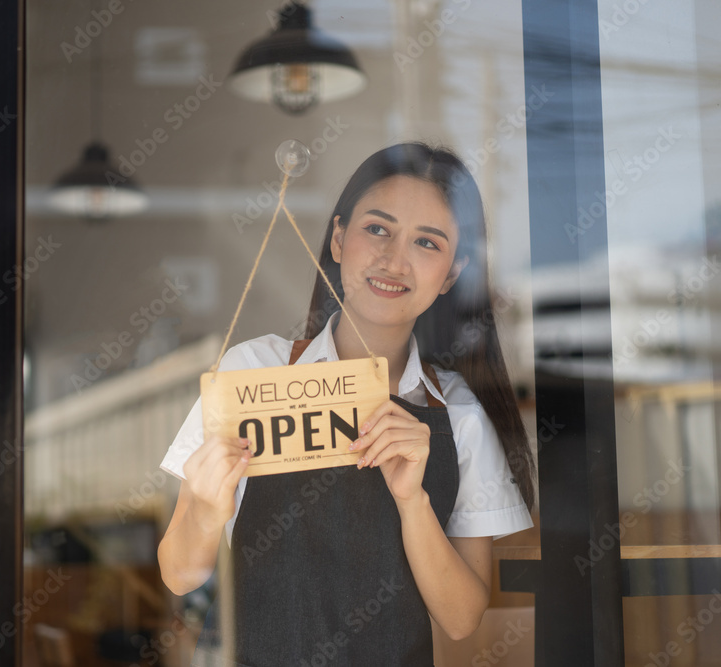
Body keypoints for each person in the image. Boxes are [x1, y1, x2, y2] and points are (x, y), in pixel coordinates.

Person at [157, 142, 536, 666]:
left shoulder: (461, 414)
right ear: (338, 239)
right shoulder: (252, 372)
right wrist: (205, 509)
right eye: (377, 229)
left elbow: (461, 616)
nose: (393, 259)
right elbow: (179, 575)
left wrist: (413, 502)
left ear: (452, 273)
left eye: (427, 242)